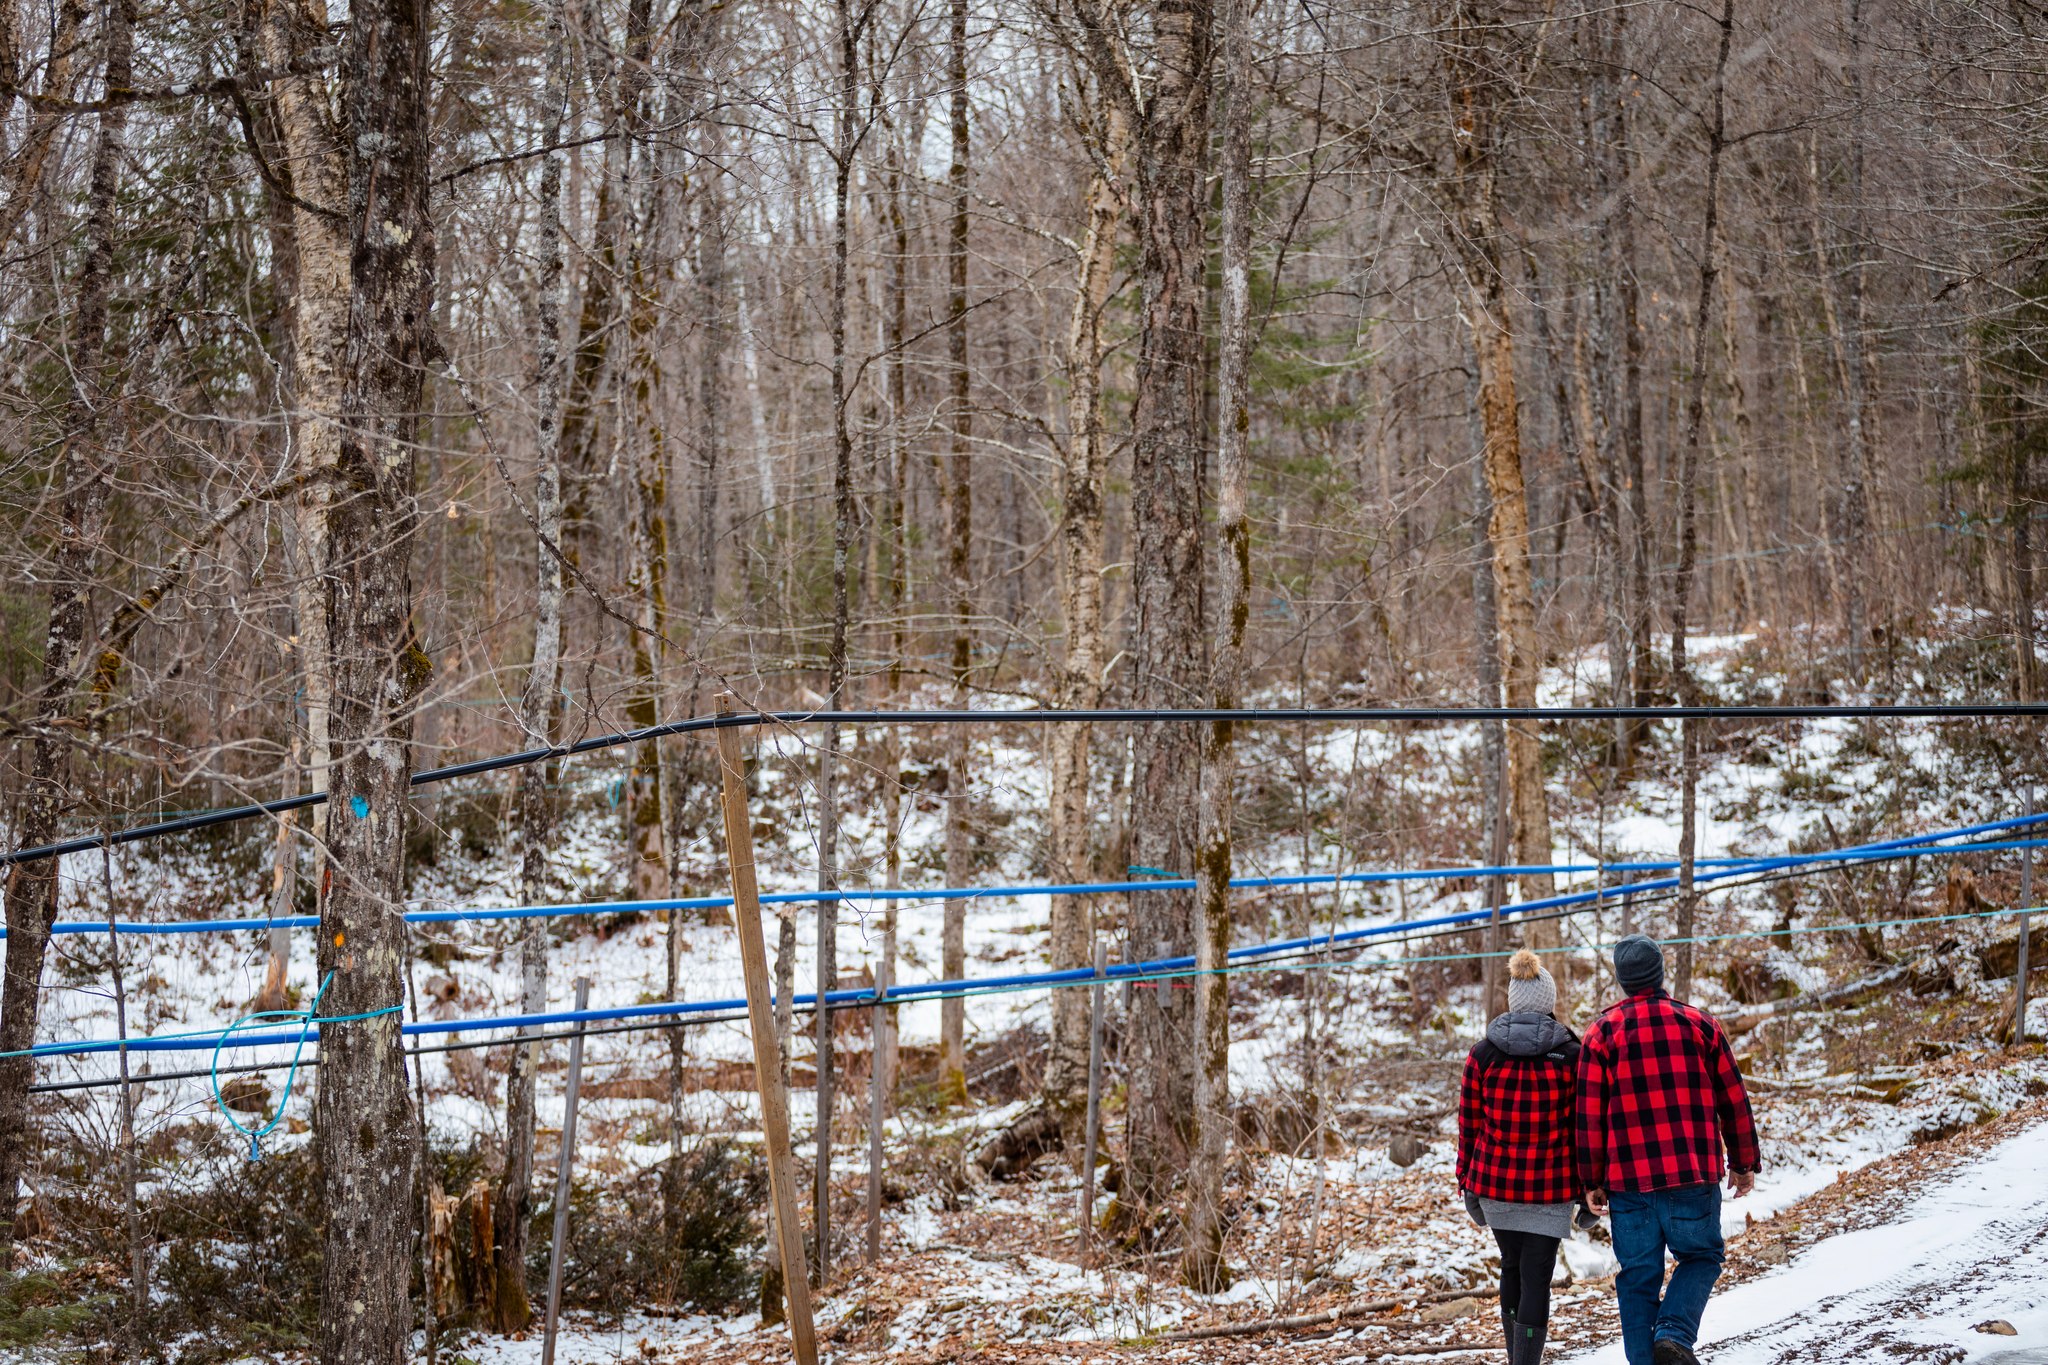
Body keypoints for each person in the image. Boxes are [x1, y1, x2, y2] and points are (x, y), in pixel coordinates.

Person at [1577, 935, 1761, 1365]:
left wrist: (1591, 1181)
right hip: (1692, 1177)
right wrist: (1744, 1162)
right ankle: (1674, 1335)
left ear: (1622, 981)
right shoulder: (1700, 1025)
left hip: (1628, 1185)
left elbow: (1588, 1118)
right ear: (1660, 973)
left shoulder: (1601, 1034)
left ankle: (1661, 1348)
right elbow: (1733, 1098)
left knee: (1639, 1278)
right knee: (1702, 1256)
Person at [1458, 949, 1581, 1365]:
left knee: (1510, 1267)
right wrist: (1591, 1187)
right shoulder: (1571, 1055)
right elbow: (1585, 1128)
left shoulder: (1483, 1055)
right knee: (1536, 1279)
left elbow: (1468, 1126)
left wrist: (1466, 1182)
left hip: (1495, 1185)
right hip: (1551, 1187)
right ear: (1549, 1002)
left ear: (1512, 1000)